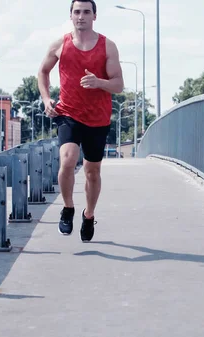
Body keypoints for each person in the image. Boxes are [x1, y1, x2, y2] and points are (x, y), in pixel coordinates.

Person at [37, 0, 124, 242]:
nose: (81, 16)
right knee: (67, 161)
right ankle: (68, 208)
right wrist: (46, 100)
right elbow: (43, 72)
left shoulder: (108, 46)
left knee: (92, 172)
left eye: (86, 12)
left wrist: (100, 83)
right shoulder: (60, 44)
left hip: (98, 118)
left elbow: (118, 84)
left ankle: (89, 215)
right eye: (77, 12)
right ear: (71, 15)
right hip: (68, 113)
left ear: (94, 16)